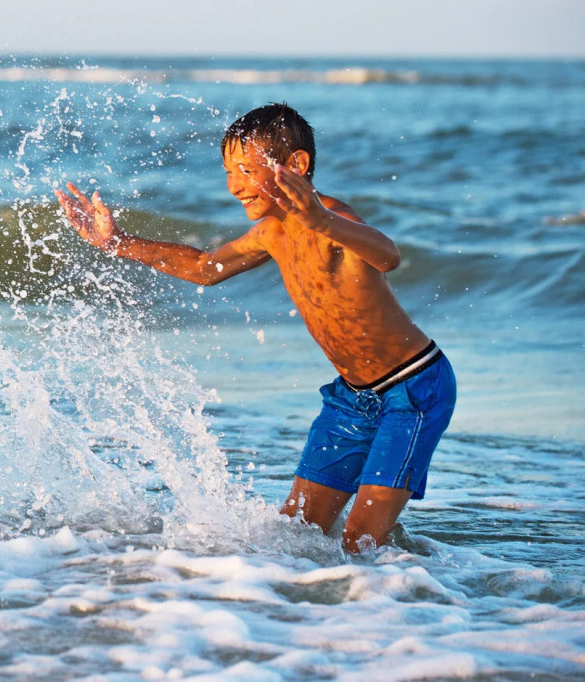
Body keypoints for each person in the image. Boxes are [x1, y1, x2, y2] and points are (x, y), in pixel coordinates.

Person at [56, 103, 455, 553]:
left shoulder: (333, 219)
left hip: (414, 389)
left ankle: (404, 601)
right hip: (353, 398)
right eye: (228, 172)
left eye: (245, 170)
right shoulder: (271, 232)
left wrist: (324, 222)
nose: (234, 185)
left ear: (296, 166)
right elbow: (205, 268)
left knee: (359, 544)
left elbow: (389, 256)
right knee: (293, 534)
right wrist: (117, 242)